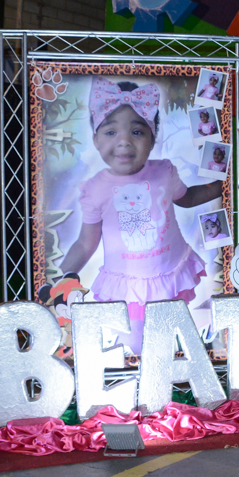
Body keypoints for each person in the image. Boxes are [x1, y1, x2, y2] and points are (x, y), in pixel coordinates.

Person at [59, 78, 223, 352]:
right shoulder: (95, 189)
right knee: (134, 348)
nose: (124, 141)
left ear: (152, 138)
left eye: (136, 132)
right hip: (127, 289)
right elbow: (86, 244)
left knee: (172, 344)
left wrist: (223, 186)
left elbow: (187, 199)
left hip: (170, 277)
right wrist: (59, 281)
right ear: (96, 139)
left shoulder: (164, 172)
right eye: (111, 132)